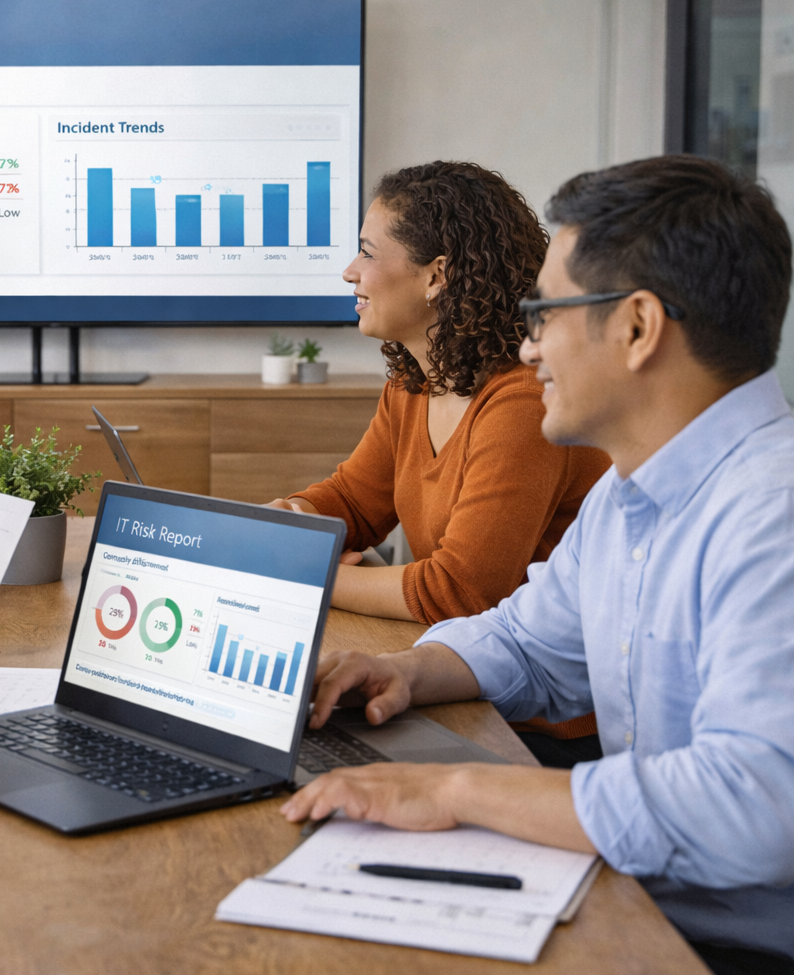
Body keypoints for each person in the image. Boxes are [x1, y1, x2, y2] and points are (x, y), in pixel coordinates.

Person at [282, 155, 794, 974]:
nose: (527, 346)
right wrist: (405, 671)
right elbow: (529, 642)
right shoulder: (628, 494)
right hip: (639, 894)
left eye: (547, 313)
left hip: (726, 944)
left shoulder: (773, 516)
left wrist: (454, 791)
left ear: (637, 328)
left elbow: (755, 808)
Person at [269, 162, 611, 766]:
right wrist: (293, 519)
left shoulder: (524, 402)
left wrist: (307, 567)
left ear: (437, 275)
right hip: (457, 679)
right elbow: (354, 503)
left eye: (367, 252)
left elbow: (459, 592)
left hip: (538, 725)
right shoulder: (414, 382)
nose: (349, 271)